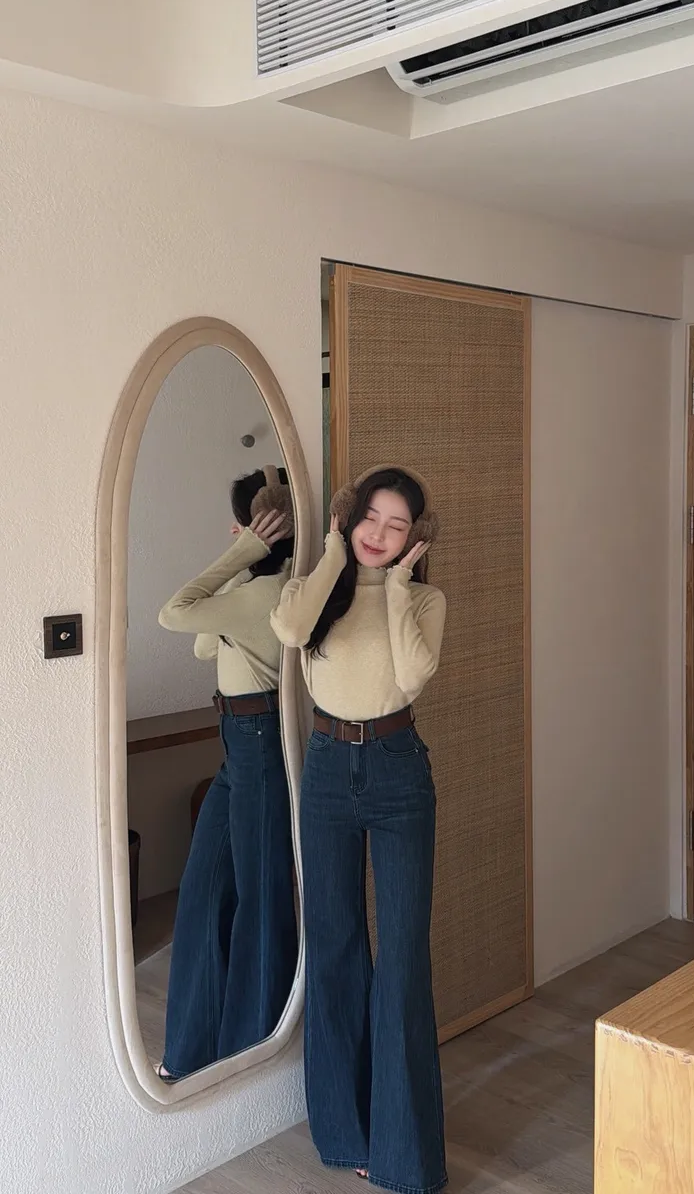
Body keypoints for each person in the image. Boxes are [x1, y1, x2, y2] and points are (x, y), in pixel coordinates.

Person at [271, 465, 448, 1194]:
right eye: (370, 517)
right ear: (350, 517)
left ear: (414, 539)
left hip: (397, 771)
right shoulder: (318, 587)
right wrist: (333, 552)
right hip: (325, 769)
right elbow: (289, 631)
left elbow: (411, 677)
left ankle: (405, 1157)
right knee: (336, 945)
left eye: (396, 525)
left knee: (401, 958)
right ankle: (345, 1134)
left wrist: (398, 586)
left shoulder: (424, 599)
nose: (380, 533)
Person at [155, 466, 298, 1079]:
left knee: (260, 901)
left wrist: (240, 554)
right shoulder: (254, 592)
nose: (234, 533)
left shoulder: (269, 594)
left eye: (240, 525)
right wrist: (244, 563)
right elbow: (202, 644)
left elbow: (173, 614)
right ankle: (190, 1051)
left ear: (260, 527)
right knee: (205, 890)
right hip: (239, 748)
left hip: (259, 744)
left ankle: (251, 1052)